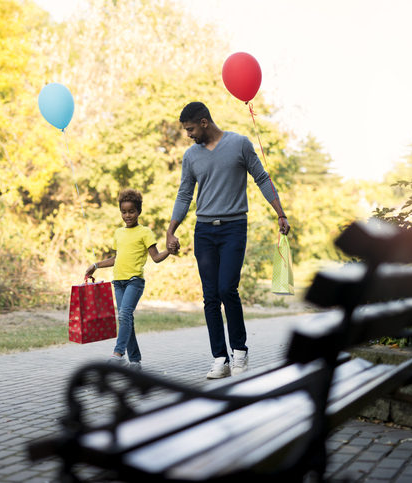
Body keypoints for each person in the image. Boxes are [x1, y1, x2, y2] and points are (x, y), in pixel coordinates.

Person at [166, 101, 290, 379]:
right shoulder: (191, 156)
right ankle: (220, 359)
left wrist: (280, 214)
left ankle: (240, 352)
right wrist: (171, 229)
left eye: (190, 129)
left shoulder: (240, 144)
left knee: (226, 289)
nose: (188, 134)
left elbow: (261, 177)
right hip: (204, 231)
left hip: (234, 228)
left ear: (204, 122)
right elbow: (184, 194)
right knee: (210, 297)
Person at [85, 188, 172, 372]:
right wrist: (96, 264)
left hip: (134, 281)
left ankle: (118, 355)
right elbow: (116, 258)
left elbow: (155, 257)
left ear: (139, 211)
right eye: (123, 212)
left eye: (131, 211)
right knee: (126, 318)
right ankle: (135, 362)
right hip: (118, 282)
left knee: (124, 315)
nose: (127, 215)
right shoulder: (118, 233)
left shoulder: (145, 232)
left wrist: (169, 251)